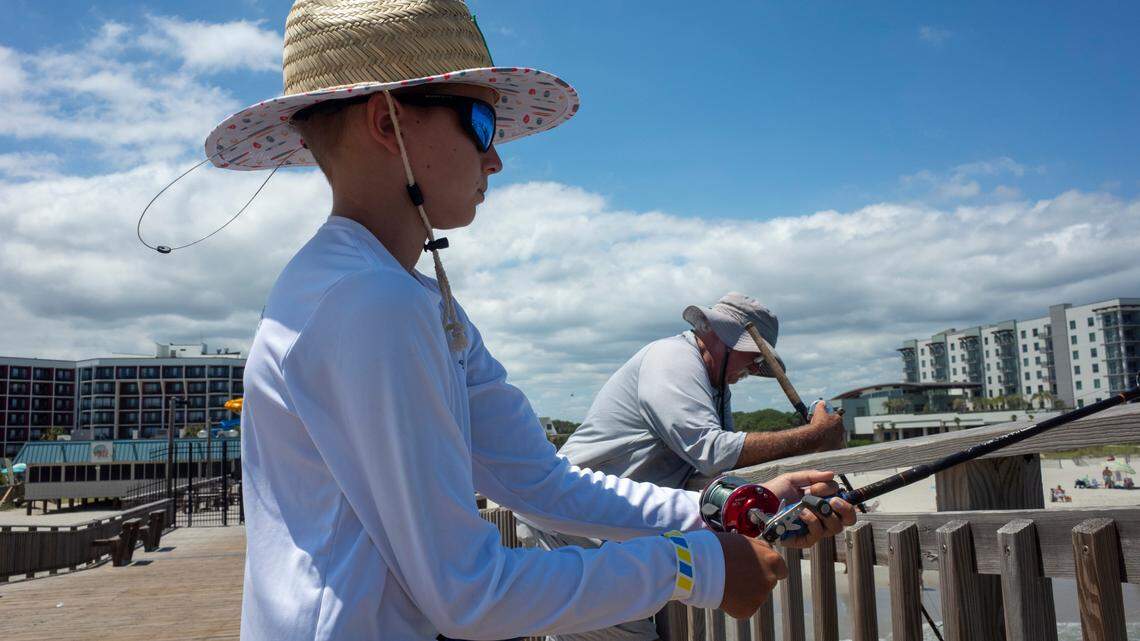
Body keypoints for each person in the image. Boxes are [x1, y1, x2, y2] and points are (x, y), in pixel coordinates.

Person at [212, 2, 856, 639]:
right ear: (389, 123)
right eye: (483, 124)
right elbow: (468, 594)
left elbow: (539, 482)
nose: (496, 161)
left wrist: (733, 505)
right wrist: (694, 569)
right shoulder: (372, 302)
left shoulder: (382, 293)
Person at [517, 293, 847, 641]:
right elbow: (713, 452)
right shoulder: (672, 358)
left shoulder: (714, 382)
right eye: (753, 357)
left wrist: (775, 503)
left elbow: (714, 473)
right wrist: (813, 436)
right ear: (721, 337)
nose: (751, 370)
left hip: (608, 521)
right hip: (574, 519)